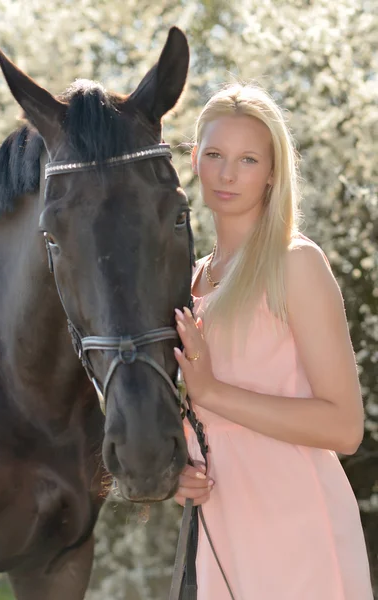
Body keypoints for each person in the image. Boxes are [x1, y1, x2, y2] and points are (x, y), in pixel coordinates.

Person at [172, 84, 373, 600]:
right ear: (195, 159)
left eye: (247, 159)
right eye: (214, 155)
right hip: (220, 528)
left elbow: (345, 427)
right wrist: (180, 470)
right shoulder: (188, 282)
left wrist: (213, 392)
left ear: (272, 172)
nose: (227, 173)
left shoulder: (295, 262)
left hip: (297, 522)